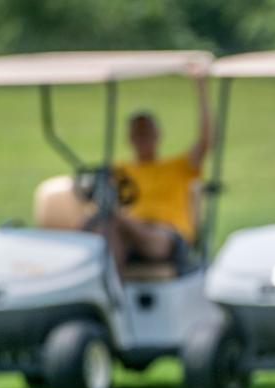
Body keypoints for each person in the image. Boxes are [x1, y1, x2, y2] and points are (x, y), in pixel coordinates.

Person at [86, 76, 210, 271]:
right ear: (129, 138)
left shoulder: (179, 166)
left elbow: (206, 140)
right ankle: (110, 290)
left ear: (157, 134)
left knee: (115, 218)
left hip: (167, 235)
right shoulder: (118, 170)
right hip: (128, 232)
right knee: (108, 226)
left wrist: (201, 86)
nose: (142, 138)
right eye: (138, 133)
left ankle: (110, 289)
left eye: (146, 132)